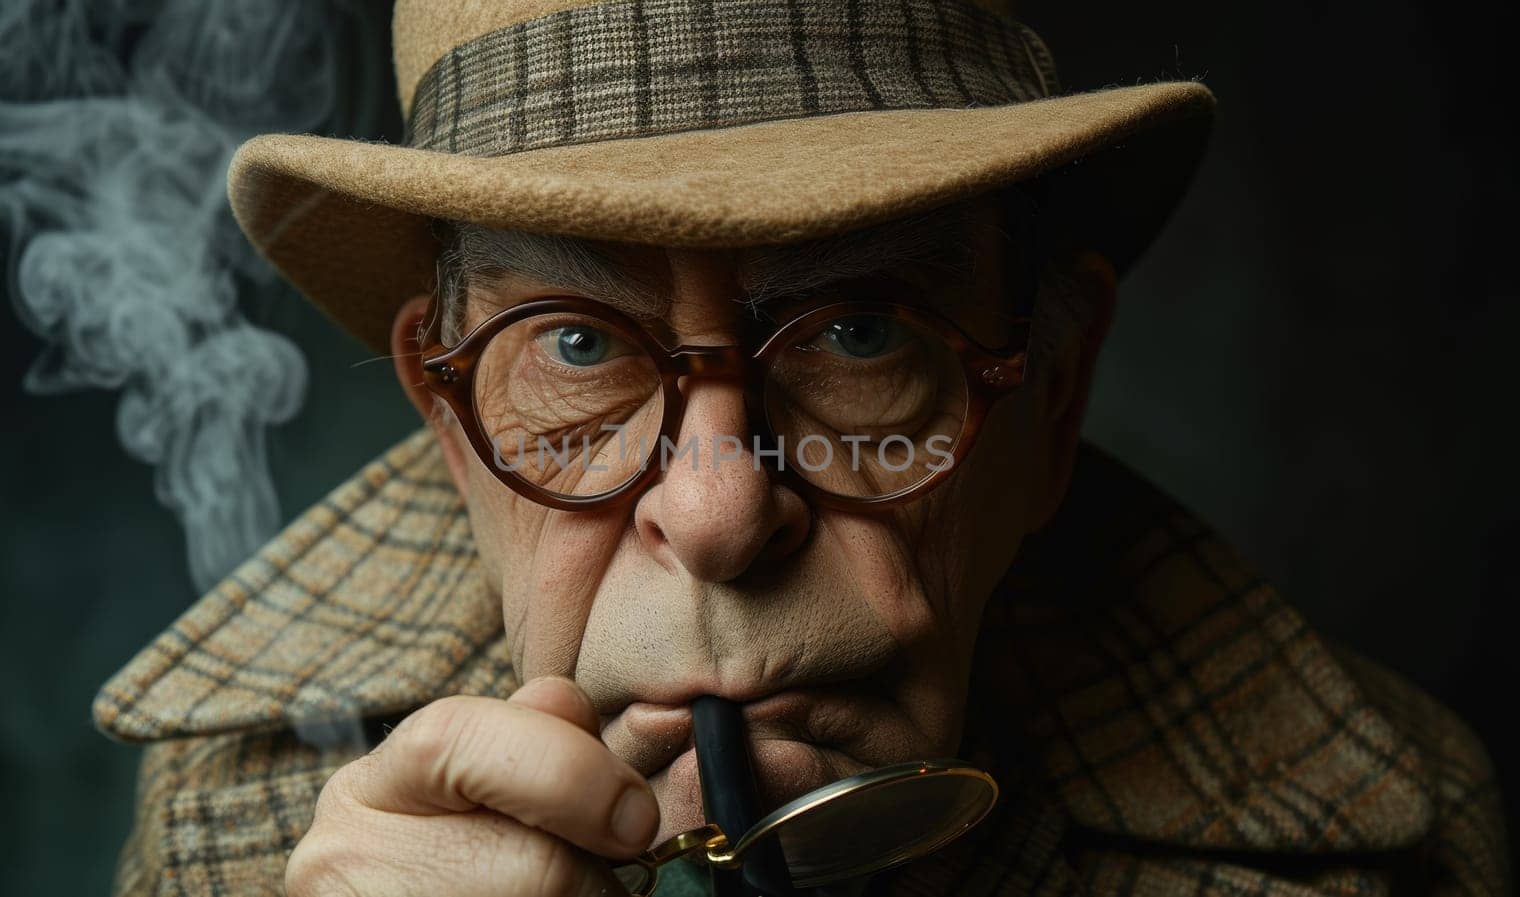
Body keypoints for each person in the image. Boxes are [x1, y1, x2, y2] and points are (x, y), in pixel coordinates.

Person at [93, 0, 1509, 895]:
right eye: (577, 345)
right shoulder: (242, 831)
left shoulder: (1410, 844)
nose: (714, 517)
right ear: (452, 423)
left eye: (857, 335)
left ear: (1053, 387)